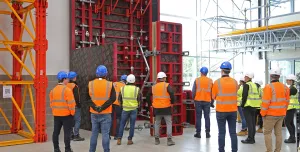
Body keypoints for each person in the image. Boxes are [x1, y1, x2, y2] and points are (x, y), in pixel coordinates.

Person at [261, 68, 290, 152]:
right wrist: (284, 111)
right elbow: (287, 101)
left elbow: (266, 102)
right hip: (281, 114)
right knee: (278, 133)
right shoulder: (285, 87)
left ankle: (269, 150)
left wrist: (263, 114)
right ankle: (277, 150)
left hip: (270, 114)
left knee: (267, 133)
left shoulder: (268, 87)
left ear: (270, 76)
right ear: (279, 76)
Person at [88, 65, 116, 152]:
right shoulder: (110, 84)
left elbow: (87, 98)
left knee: (94, 134)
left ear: (96, 73)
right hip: (106, 113)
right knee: (105, 134)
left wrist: (95, 108)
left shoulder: (90, 84)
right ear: (106, 74)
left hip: (94, 113)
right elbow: (113, 98)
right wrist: (102, 108)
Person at [212, 61, 238, 152]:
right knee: (233, 132)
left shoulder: (217, 82)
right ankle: (234, 150)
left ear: (222, 71)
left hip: (221, 111)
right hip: (233, 110)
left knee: (222, 133)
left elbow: (213, 96)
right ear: (229, 70)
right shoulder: (235, 82)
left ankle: (221, 150)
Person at [146, 72, 175, 146]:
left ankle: (157, 140)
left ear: (158, 79)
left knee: (157, 123)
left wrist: (150, 104)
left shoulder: (154, 87)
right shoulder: (167, 85)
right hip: (166, 107)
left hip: (157, 108)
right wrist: (172, 103)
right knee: (168, 123)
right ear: (164, 78)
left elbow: (147, 95)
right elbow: (172, 93)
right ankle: (169, 140)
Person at [50, 71, 76, 152]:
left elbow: (51, 103)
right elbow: (71, 104)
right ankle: (67, 149)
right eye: (67, 78)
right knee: (67, 133)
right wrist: (72, 113)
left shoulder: (53, 90)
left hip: (56, 115)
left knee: (56, 132)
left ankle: (56, 149)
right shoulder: (67, 90)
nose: (68, 80)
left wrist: (55, 111)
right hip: (66, 115)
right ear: (64, 79)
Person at [117, 74, 142, 145]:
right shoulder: (137, 89)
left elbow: (119, 99)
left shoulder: (123, 88)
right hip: (134, 109)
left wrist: (122, 106)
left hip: (125, 109)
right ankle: (129, 140)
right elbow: (140, 100)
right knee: (132, 125)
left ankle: (119, 139)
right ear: (134, 81)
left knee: (122, 124)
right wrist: (139, 108)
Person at [192, 66, 214, 138]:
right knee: (207, 117)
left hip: (198, 101)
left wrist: (193, 99)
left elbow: (193, 91)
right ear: (206, 73)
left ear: (201, 72)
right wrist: (212, 102)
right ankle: (207, 133)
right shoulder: (210, 81)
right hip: (207, 101)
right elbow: (212, 92)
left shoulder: (197, 80)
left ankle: (198, 133)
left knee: (198, 117)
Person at [240, 72, 261, 144]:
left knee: (249, 123)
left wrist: (242, 105)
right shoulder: (254, 85)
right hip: (254, 106)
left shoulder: (246, 85)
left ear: (248, 77)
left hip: (248, 106)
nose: (244, 78)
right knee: (252, 123)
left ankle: (250, 138)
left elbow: (244, 96)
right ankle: (252, 138)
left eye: (245, 77)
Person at [67, 71, 85, 141]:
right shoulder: (75, 86)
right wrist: (79, 105)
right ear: (74, 78)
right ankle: (76, 135)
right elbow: (77, 97)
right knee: (77, 120)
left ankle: (71, 135)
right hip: (75, 106)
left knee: (70, 120)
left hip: (68, 106)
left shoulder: (66, 85)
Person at [112, 75, 127, 140]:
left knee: (110, 119)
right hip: (118, 105)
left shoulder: (114, 83)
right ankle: (117, 135)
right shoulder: (125, 86)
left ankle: (108, 135)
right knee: (119, 120)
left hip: (111, 103)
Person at [284, 74, 298, 143]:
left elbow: (286, 94)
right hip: (291, 107)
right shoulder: (292, 87)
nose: (286, 81)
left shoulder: (293, 89)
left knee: (287, 122)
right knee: (291, 122)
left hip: (291, 107)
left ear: (291, 81)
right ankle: (292, 137)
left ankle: (292, 138)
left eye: (287, 80)